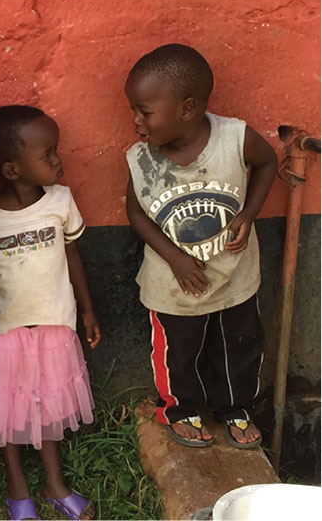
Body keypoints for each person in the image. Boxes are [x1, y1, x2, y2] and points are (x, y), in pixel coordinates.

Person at [124, 43, 277, 449]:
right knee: (180, 351)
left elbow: (267, 164)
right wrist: (174, 259)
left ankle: (235, 408)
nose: (137, 122)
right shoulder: (142, 159)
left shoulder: (235, 138)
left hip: (234, 275)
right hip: (174, 284)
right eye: (134, 111)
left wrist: (248, 214)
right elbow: (137, 213)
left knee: (239, 345)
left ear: (187, 109)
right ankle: (179, 407)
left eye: (145, 111)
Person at [0, 105, 101, 521]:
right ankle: (17, 487)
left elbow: (74, 255)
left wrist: (87, 309)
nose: (58, 160)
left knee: (46, 409)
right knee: (8, 411)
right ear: (12, 169)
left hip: (54, 330)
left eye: (55, 150)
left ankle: (55, 484)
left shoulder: (61, 201)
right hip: (6, 333)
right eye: (47, 154)